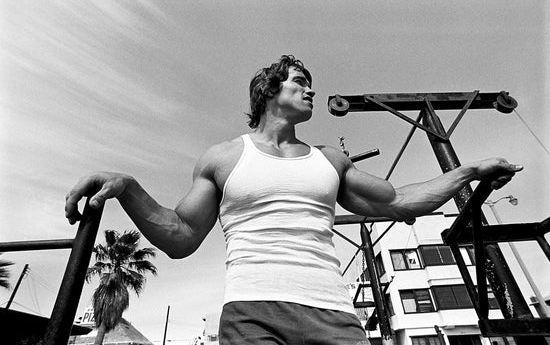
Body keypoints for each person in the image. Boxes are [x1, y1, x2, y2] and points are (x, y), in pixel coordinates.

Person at [65, 55, 522, 344]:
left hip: (333, 315)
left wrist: (469, 171)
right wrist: (127, 185)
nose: (311, 91)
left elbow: (400, 201)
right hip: (252, 312)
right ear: (269, 91)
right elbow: (181, 236)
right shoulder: (224, 157)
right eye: (300, 82)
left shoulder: (331, 161)